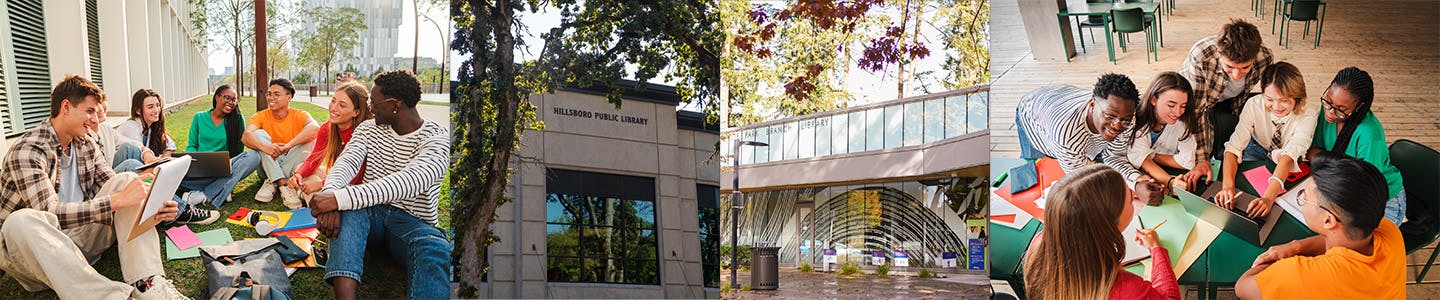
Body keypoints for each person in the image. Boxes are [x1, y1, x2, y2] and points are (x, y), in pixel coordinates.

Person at [0, 75, 189, 299]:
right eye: (89, 111)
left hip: (82, 240)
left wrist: (154, 207)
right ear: (66, 107)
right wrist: (116, 200)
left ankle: (148, 284)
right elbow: (49, 213)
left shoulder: (86, 142)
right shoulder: (28, 150)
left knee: (127, 180)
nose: (94, 119)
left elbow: (115, 185)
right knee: (19, 221)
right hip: (40, 255)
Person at [308, 69, 451, 300]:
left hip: (413, 223)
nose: (370, 108)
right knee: (349, 210)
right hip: (369, 214)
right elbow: (347, 162)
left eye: (374, 103)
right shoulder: (368, 129)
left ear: (396, 105)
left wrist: (338, 199)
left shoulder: (437, 139)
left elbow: (410, 181)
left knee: (435, 248)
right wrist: (331, 194)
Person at [1235, 152, 1405, 299]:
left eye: (1304, 196)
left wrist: (1279, 267)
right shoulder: (1388, 230)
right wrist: (1295, 247)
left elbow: (1242, 286)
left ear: (1328, 220)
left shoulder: (1302, 276)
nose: (1301, 199)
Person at [1023, 164, 1180, 299]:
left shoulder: (1038, 243)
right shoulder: (1127, 289)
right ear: (1108, 224)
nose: (1134, 195)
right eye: (1130, 201)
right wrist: (1156, 249)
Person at [1016, 73, 1162, 203]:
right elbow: (1084, 179)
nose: (1117, 125)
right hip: (1032, 113)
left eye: (1125, 120)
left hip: (1062, 98)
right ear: (1092, 105)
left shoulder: (1127, 117)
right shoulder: (1067, 134)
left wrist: (1136, 181)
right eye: (1110, 116)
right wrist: (1124, 188)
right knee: (1031, 177)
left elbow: (1114, 156)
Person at [1216, 61, 1318, 218]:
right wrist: (1227, 187)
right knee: (1245, 189)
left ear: (1297, 97)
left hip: (1288, 158)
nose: (1276, 106)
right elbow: (1233, 148)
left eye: (1284, 100)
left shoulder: (1309, 113)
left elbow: (1288, 156)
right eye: (1269, 99)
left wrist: (1269, 198)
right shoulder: (1253, 105)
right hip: (1256, 147)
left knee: (1283, 198)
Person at [1307, 67, 1407, 225]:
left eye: (1340, 110)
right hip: (1340, 187)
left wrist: (1324, 158)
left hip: (1380, 201)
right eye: (1328, 101)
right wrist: (1341, 165)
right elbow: (1312, 152)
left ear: (1358, 107)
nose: (1330, 112)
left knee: (1344, 238)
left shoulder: (1369, 133)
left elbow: (1365, 186)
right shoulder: (1327, 108)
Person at [1179, 19, 1274, 177]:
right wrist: (1202, 159)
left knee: (1225, 144)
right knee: (1199, 153)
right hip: (1195, 100)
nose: (1236, 75)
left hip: (1232, 101)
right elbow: (1196, 111)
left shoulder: (1265, 57)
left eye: (1245, 67)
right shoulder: (1200, 56)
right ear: (1219, 53)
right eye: (1230, 67)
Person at [179, 85, 263, 208]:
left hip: (224, 169)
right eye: (227, 98)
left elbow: (238, 151)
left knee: (254, 156)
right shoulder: (199, 117)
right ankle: (223, 188)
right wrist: (197, 162)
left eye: (234, 99)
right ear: (217, 97)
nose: (231, 102)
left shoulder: (237, 119)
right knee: (175, 176)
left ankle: (205, 195)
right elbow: (192, 146)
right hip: (200, 169)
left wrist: (225, 164)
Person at [288, 82, 371, 205]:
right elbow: (314, 159)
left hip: (357, 188)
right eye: (333, 101)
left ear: (356, 112)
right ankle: (312, 199)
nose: (333, 108)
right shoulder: (327, 128)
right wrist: (299, 174)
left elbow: (356, 175)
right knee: (302, 169)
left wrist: (321, 184)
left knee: (319, 191)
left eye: (342, 105)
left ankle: (313, 201)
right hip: (337, 181)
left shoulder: (363, 133)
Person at [242, 78, 319, 208]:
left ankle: (273, 181)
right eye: (269, 94)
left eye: (276, 94)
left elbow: (315, 128)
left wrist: (289, 145)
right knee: (258, 134)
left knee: (309, 138)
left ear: (289, 97)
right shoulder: (260, 116)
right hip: (267, 164)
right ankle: (283, 183)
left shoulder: (300, 115)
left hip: (290, 161)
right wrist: (265, 147)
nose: (271, 98)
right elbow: (246, 136)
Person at [1127, 72, 1203, 192]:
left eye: (1183, 106)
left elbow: (1187, 161)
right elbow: (1141, 160)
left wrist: (1151, 155)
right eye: (1171, 105)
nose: (1178, 112)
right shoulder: (1134, 118)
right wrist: (1170, 182)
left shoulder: (1182, 122)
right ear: (1154, 100)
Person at [117, 89, 177, 157]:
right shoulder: (130, 127)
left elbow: (171, 146)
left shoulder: (151, 126)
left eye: (158, 105)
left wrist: (165, 157)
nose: (156, 110)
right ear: (138, 111)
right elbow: (139, 154)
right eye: (150, 107)